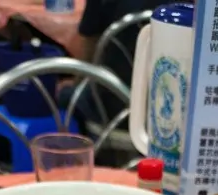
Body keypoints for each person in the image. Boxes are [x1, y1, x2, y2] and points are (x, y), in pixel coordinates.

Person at [62, 0, 158, 128]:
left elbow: (89, 54)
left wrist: (76, 84)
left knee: (64, 94)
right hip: (171, 117)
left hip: (111, 111)